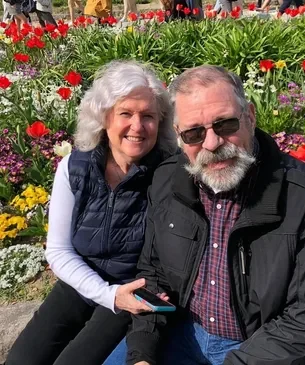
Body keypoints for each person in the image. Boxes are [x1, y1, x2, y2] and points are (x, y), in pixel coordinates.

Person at [106, 65, 305, 365]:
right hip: (181, 332)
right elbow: (153, 273)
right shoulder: (168, 181)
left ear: (251, 116)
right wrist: (143, 352)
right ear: (179, 137)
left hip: (260, 348)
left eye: (225, 125)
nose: (212, 143)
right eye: (194, 133)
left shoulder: (303, 196)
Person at [6, 60, 177, 365]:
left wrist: (120, 297)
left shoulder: (167, 175)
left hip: (132, 292)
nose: (137, 126)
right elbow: (58, 251)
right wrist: (105, 293)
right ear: (104, 117)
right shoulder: (76, 167)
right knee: (21, 360)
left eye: (148, 116)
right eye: (126, 113)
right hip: (81, 282)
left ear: (160, 123)